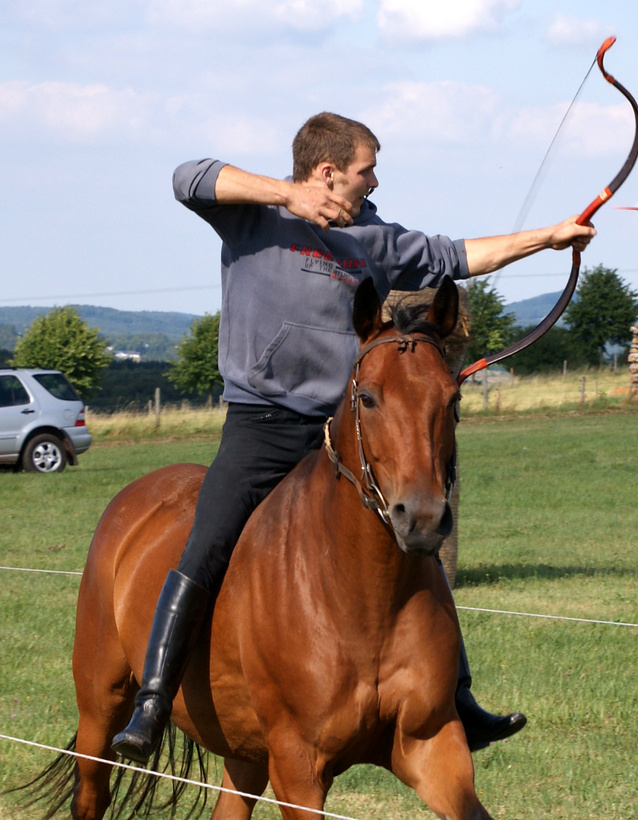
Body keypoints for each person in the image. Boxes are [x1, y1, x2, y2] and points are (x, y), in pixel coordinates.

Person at [111, 112, 594, 765]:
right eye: (366, 168)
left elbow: (456, 256)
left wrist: (550, 238)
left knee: (414, 551)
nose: (375, 179)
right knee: (209, 542)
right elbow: (187, 178)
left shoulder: (371, 237)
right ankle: (153, 699)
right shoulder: (257, 216)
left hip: (339, 433)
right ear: (327, 169)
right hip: (260, 425)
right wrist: (287, 195)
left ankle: (458, 698)